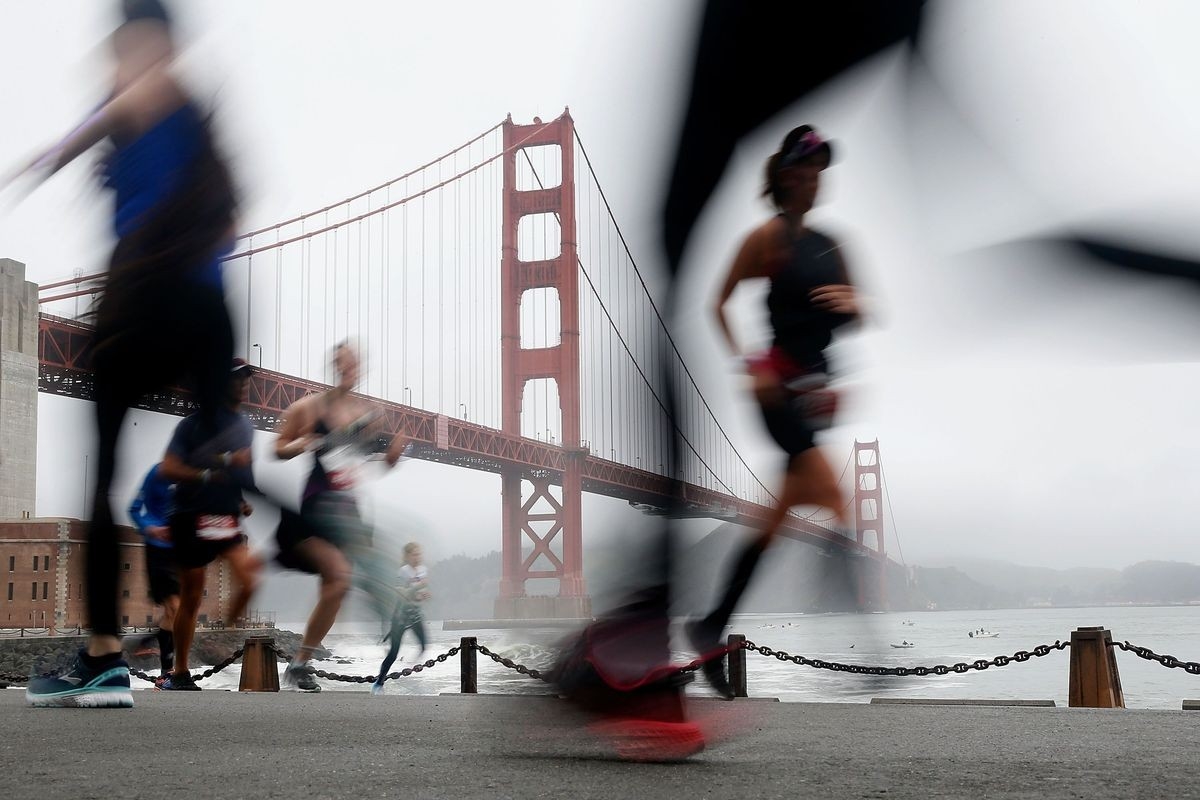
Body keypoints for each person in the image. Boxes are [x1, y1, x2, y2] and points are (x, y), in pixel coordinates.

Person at [21, 0, 239, 708]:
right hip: (201, 310)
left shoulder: (147, 92)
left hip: (147, 300)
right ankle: (106, 653)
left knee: (105, 474)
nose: (123, 65)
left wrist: (59, 150)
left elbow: (129, 102)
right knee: (203, 451)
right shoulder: (196, 120)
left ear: (152, 46)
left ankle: (106, 655)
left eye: (132, 48)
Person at [686, 125, 860, 698]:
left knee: (776, 520)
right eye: (805, 170)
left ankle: (710, 624)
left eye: (820, 171)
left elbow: (857, 312)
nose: (814, 180)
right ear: (785, 177)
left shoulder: (830, 246)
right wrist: (746, 362)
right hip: (777, 391)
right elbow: (718, 301)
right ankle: (863, 657)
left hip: (814, 394)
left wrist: (855, 303)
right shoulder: (766, 240)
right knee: (834, 499)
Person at [273, 341, 409, 692]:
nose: (349, 368)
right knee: (340, 577)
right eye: (342, 362)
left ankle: (299, 665)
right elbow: (278, 447)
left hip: (350, 511)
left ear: (360, 367)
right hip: (318, 507)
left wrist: (391, 458)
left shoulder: (369, 413)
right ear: (334, 365)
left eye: (354, 363)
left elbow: (368, 461)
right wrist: (303, 444)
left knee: (336, 587)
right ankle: (301, 664)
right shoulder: (310, 407)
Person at [157, 359, 262, 691]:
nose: (244, 383)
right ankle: (180, 673)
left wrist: (242, 498)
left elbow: (243, 472)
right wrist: (216, 467)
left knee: (250, 580)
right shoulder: (192, 425)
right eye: (237, 378)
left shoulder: (246, 426)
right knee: (190, 599)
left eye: (247, 377)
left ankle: (227, 628)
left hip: (225, 517)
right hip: (190, 515)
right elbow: (169, 468)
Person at [127, 462, 179, 683]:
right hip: (157, 550)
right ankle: (167, 672)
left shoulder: (199, 476)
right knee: (174, 608)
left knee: (174, 613)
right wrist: (150, 528)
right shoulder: (156, 474)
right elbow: (134, 509)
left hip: (181, 550)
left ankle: (149, 645)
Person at [371, 542, 431, 695]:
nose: (418, 557)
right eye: (414, 554)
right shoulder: (403, 572)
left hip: (415, 615)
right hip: (400, 616)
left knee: (424, 646)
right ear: (407, 556)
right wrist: (417, 589)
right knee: (393, 653)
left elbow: (420, 594)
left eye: (419, 554)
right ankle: (378, 684)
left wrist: (424, 595)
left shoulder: (423, 570)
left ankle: (409, 668)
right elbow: (400, 594)